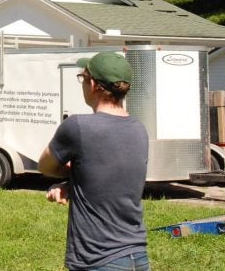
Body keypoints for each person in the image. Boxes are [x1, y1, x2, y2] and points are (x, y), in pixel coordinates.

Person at [38, 52, 149, 271]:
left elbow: (45, 165)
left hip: (98, 260)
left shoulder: (78, 127)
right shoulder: (139, 130)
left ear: (94, 85)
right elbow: (110, 179)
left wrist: (69, 178)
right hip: (137, 257)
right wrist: (73, 185)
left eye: (83, 78)